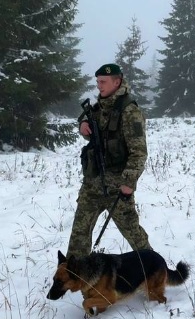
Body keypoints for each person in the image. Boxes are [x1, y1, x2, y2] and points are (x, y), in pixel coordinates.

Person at [65, 63, 153, 257]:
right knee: (80, 232)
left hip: (117, 185)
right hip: (93, 182)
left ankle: (152, 268)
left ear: (117, 82)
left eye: (103, 82)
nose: (99, 86)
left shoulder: (130, 111)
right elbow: (93, 133)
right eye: (97, 82)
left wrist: (128, 183)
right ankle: (73, 270)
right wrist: (83, 124)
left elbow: (139, 152)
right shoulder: (99, 108)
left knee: (133, 232)